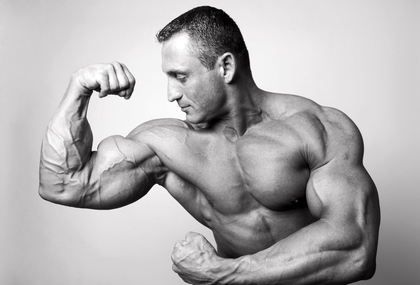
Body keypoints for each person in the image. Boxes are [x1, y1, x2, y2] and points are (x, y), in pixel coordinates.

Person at [39, 6, 380, 285]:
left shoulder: (314, 129)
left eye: (181, 76)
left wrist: (224, 273)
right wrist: (77, 92)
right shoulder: (167, 145)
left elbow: (356, 247)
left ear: (226, 67)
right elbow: (64, 185)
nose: (171, 94)